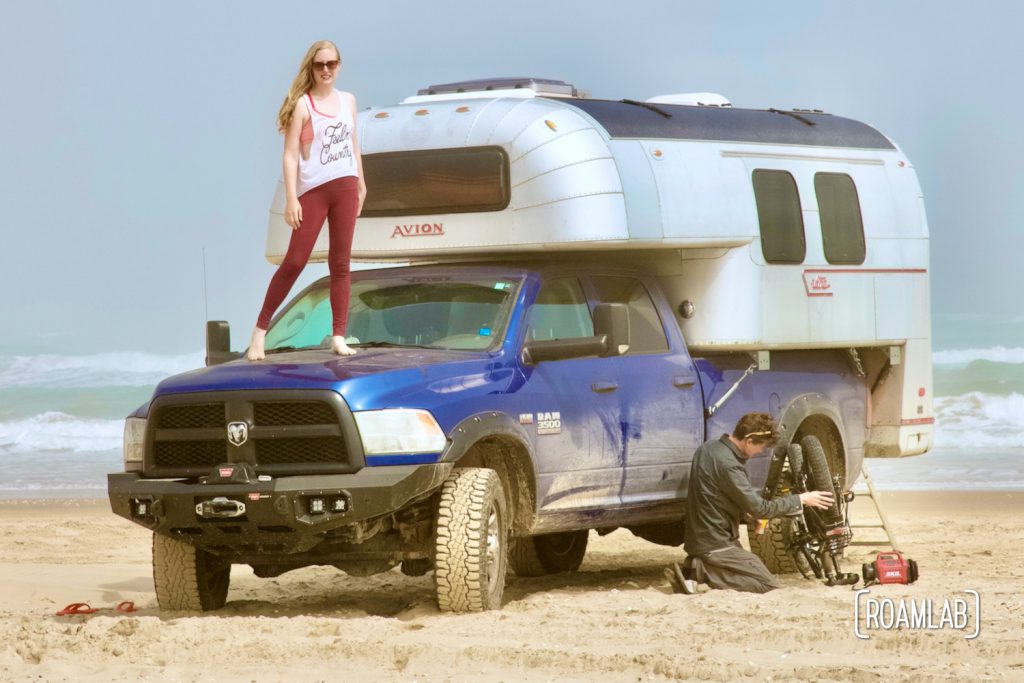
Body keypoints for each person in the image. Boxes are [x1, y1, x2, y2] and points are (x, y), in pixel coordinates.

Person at [247, 40, 367, 361]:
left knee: (341, 264)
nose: (326, 70)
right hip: (314, 190)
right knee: (295, 261)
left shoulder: (349, 101)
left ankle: (339, 336)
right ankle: (259, 332)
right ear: (311, 69)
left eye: (331, 64)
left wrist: (361, 182)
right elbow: (289, 157)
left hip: (345, 186)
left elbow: (354, 144)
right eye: (319, 65)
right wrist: (291, 198)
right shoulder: (304, 105)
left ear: (339, 66)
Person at [666, 412, 835, 594]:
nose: (760, 451)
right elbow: (760, 508)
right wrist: (801, 499)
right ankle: (702, 570)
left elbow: (713, 498)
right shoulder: (729, 465)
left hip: (699, 540)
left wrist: (745, 516)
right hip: (717, 545)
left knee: (753, 572)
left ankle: (696, 566)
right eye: (761, 446)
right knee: (768, 586)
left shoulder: (707, 449)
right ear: (749, 440)